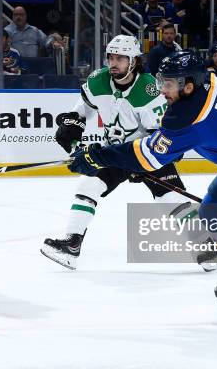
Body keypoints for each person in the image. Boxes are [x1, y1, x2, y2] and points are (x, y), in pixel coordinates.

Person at [68, 49, 217, 327]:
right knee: (209, 215)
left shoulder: (188, 116)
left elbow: (149, 157)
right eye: (161, 81)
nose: (162, 90)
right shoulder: (212, 81)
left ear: (188, 85)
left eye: (168, 84)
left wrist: (98, 156)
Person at [41, 35, 187, 271]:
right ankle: (72, 245)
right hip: (114, 152)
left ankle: (206, 248)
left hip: (147, 151)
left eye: (120, 58)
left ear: (134, 61)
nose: (113, 63)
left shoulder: (149, 89)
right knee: (88, 185)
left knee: (170, 198)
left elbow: (160, 137)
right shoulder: (98, 81)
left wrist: (142, 162)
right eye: (111, 57)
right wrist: (73, 125)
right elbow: (85, 106)